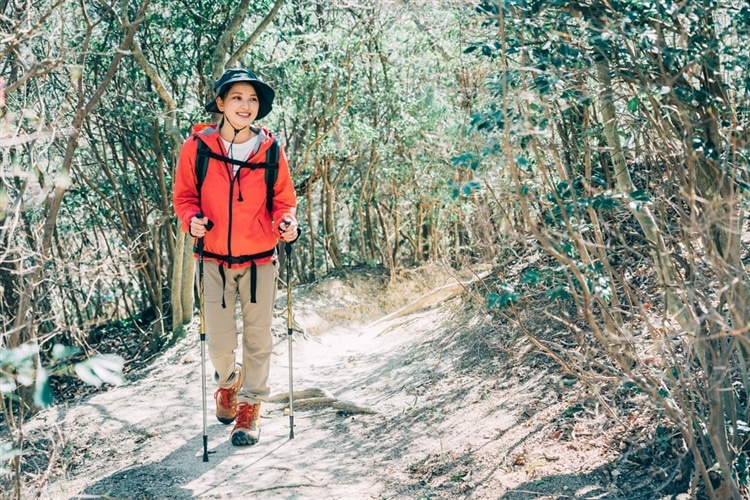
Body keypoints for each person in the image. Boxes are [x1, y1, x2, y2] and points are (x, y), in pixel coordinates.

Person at [173, 68, 298, 446]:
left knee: (258, 339)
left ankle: (250, 408)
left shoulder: (271, 149)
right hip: (213, 260)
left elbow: (284, 201)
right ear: (221, 103)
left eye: (253, 99)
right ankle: (229, 384)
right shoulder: (197, 148)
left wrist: (287, 223)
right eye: (238, 97)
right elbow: (184, 198)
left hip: (260, 259)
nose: (246, 105)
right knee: (219, 343)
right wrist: (191, 220)